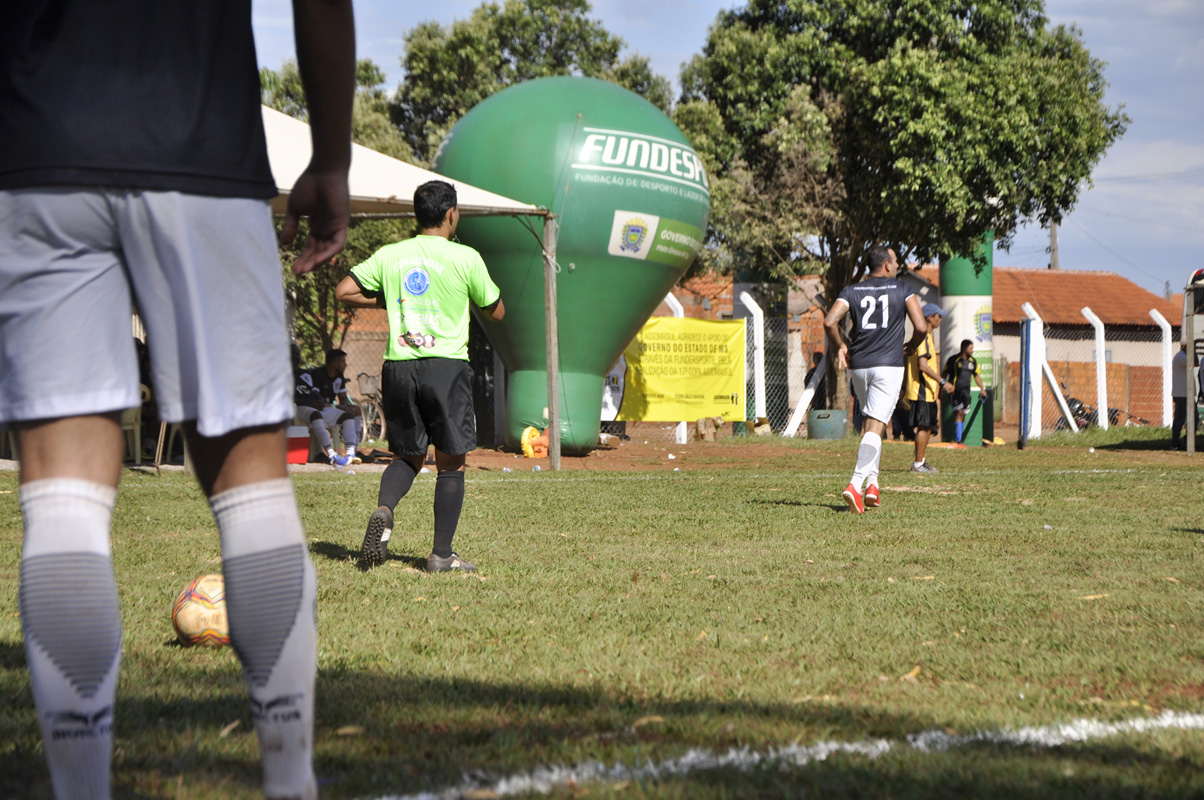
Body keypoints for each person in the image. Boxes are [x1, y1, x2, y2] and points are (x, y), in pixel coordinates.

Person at [0, 2, 355, 798]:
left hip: (38, 149)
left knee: (62, 500)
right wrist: (330, 157)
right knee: (255, 490)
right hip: (203, 147)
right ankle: (291, 785)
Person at [336, 181, 505, 572]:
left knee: (407, 457)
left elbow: (345, 290)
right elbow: (496, 310)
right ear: (451, 214)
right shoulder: (466, 257)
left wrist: (388, 296)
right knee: (451, 463)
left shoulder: (391, 255)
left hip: (399, 367)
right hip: (445, 366)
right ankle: (441, 556)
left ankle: (384, 509)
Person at [824, 246, 927, 514]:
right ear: (888, 266)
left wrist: (841, 347)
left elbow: (829, 321)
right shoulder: (902, 289)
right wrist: (913, 346)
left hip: (859, 366)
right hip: (888, 366)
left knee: (872, 424)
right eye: (894, 262)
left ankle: (873, 484)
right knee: (876, 427)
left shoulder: (852, 290)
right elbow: (921, 326)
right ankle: (855, 485)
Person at [295, 347, 362, 465]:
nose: (346, 365)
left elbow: (342, 398)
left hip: (324, 407)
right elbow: (312, 396)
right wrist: (322, 403)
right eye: (343, 362)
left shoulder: (339, 377)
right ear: (335, 363)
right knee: (316, 414)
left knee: (350, 414)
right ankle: (328, 453)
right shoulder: (316, 374)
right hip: (308, 408)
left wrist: (345, 406)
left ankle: (352, 452)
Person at [903, 303, 949, 473]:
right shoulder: (923, 337)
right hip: (921, 391)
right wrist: (943, 382)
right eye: (938, 316)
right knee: (924, 426)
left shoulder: (926, 337)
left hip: (928, 392)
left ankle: (921, 461)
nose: (941, 319)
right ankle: (918, 464)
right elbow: (923, 365)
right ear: (930, 318)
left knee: (928, 427)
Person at [943, 339, 988, 443]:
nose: (972, 350)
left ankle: (959, 438)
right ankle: (958, 439)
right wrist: (940, 387)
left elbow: (976, 376)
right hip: (955, 392)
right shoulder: (953, 360)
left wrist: (982, 389)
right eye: (971, 348)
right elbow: (944, 374)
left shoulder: (972, 361)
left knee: (963, 414)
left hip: (967, 393)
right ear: (964, 348)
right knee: (958, 413)